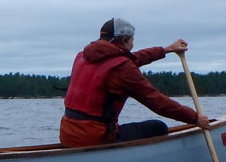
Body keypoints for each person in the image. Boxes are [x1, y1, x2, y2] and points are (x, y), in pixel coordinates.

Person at [59, 17, 210, 147]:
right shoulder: (122, 67)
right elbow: (156, 101)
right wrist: (194, 118)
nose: (132, 45)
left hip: (67, 134)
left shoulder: (83, 57)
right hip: (95, 138)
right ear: (124, 39)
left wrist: (166, 50)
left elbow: (132, 59)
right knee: (158, 127)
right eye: (132, 40)